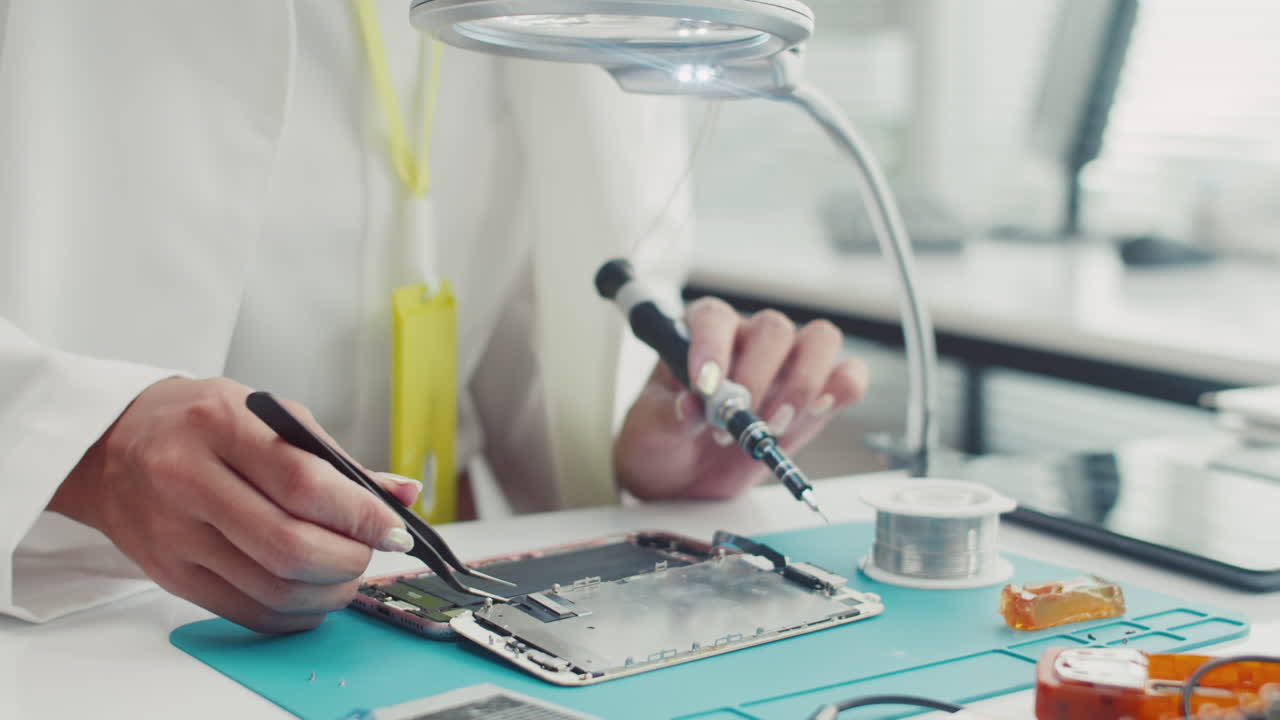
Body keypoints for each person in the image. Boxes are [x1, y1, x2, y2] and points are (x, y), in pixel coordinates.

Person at [0, 2, 867, 632]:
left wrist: (644, 441)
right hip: (78, 624)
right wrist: (85, 444)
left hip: (404, 621)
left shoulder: (527, 34)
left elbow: (535, 358)